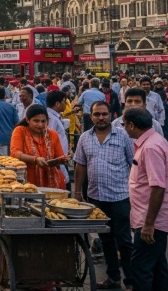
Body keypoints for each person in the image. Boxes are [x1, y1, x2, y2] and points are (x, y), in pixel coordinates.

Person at [73, 101, 135, 290]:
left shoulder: (123, 136)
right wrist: (77, 193)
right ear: (91, 116)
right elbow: (80, 165)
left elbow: (134, 164)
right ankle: (113, 278)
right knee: (106, 240)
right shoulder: (85, 138)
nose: (101, 118)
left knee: (124, 240)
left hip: (120, 196)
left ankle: (131, 280)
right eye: (97, 114)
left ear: (111, 115)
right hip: (96, 197)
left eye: (104, 114)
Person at [123, 107, 168, 291]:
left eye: (124, 124)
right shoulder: (154, 141)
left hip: (151, 221)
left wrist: (149, 224)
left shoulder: (150, 147)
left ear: (132, 125)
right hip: (150, 218)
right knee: (158, 267)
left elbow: (158, 186)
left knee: (140, 268)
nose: (124, 128)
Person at [10, 104, 67, 189]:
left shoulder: (52, 134)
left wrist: (62, 159)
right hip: (27, 182)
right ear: (28, 120)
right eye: (36, 121)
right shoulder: (20, 131)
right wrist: (35, 159)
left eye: (43, 121)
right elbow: (15, 153)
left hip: (51, 181)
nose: (40, 125)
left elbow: (59, 155)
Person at [45, 90, 70, 185]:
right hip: (56, 161)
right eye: (64, 101)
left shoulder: (55, 117)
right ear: (57, 103)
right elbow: (48, 140)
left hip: (60, 159)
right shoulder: (51, 118)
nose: (66, 104)